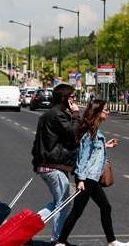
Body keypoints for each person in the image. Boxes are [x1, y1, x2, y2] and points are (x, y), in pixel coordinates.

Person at [56, 100, 129, 246]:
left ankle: (112, 241)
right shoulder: (90, 131)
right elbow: (83, 156)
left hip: (91, 177)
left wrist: (105, 145)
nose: (108, 112)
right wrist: (81, 180)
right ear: (97, 112)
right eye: (105, 110)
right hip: (87, 178)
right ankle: (61, 241)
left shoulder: (94, 130)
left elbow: (92, 150)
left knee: (102, 207)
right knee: (78, 211)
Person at [31, 83, 80, 243]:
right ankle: (57, 239)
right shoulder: (58, 115)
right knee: (63, 203)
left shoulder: (50, 114)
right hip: (52, 165)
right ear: (64, 98)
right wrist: (76, 114)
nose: (74, 100)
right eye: (72, 96)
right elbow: (73, 134)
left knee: (60, 202)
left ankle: (29, 225)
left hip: (47, 164)